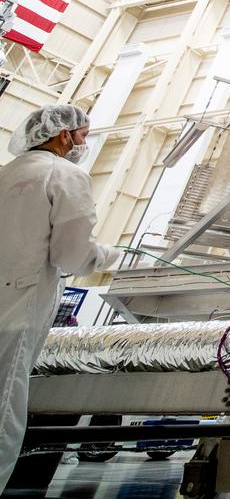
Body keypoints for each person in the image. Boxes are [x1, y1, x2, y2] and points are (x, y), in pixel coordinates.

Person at [0, 105, 121, 491]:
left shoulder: (7, 174)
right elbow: (72, 256)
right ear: (63, 134)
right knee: (4, 408)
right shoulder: (65, 175)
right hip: (17, 311)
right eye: (82, 135)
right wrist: (111, 255)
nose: (83, 143)